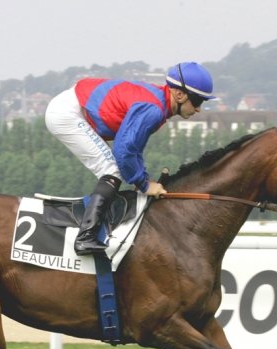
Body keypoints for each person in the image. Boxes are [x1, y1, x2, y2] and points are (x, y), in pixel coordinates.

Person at [45, 62, 216, 255]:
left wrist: (143, 179)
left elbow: (134, 148)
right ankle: (85, 237)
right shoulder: (154, 109)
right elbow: (123, 150)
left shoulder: (158, 104)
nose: (199, 109)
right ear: (179, 94)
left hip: (71, 107)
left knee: (115, 168)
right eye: (198, 101)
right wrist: (143, 184)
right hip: (68, 114)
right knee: (112, 169)